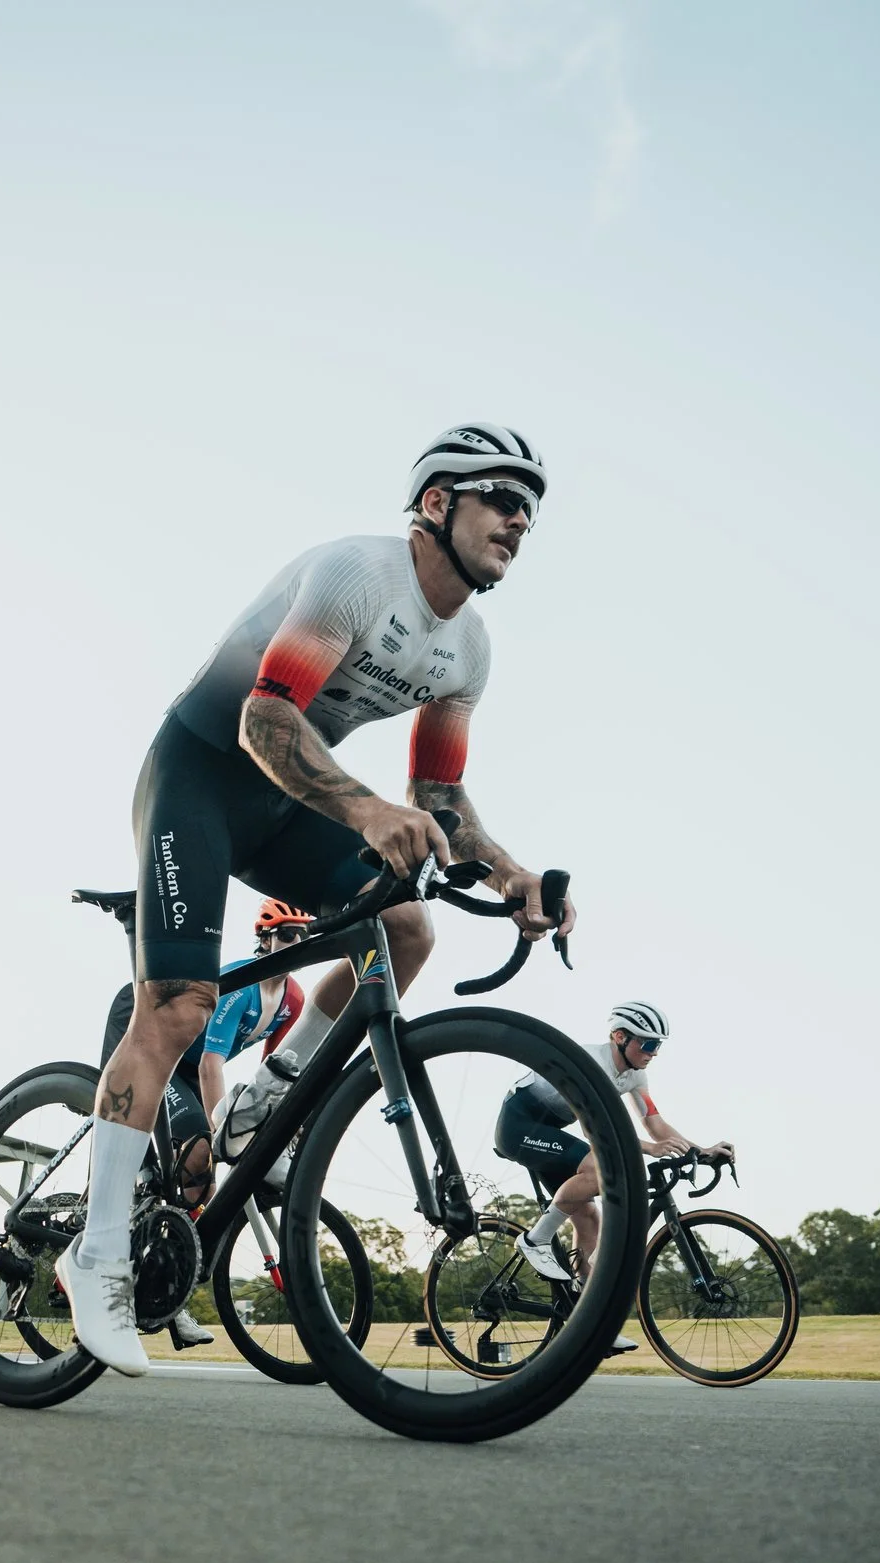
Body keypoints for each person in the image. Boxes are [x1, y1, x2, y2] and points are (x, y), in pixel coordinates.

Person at [69, 424, 578, 1376]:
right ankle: (95, 1257)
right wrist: (366, 807)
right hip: (205, 772)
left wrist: (509, 871)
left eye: (531, 508)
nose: (520, 518)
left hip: (291, 797)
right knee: (178, 1005)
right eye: (501, 496)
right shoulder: (356, 575)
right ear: (438, 502)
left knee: (406, 929)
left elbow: (438, 800)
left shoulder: (468, 647)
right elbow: (266, 718)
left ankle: (268, 1095)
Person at [93, 897, 313, 1349]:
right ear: (266, 939)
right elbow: (213, 1065)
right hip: (153, 1038)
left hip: (188, 1066)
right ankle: (117, 1223)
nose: (296, 943)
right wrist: (222, 1131)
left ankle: (166, 1284)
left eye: (304, 935)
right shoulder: (243, 986)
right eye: (287, 935)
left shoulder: (292, 1000)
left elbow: (275, 1074)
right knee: (198, 1151)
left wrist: (285, 1124)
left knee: (199, 1185)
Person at [494, 1001, 732, 1298]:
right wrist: (650, 1149)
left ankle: (585, 1314)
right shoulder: (590, 1063)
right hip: (518, 1128)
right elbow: (593, 1130)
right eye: (648, 1043)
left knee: (589, 1218)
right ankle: (535, 1239)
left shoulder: (634, 1074)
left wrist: (702, 1150)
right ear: (620, 1037)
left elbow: (655, 1124)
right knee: (601, 1169)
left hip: (550, 1133)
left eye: (658, 1045)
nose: (654, 1052)